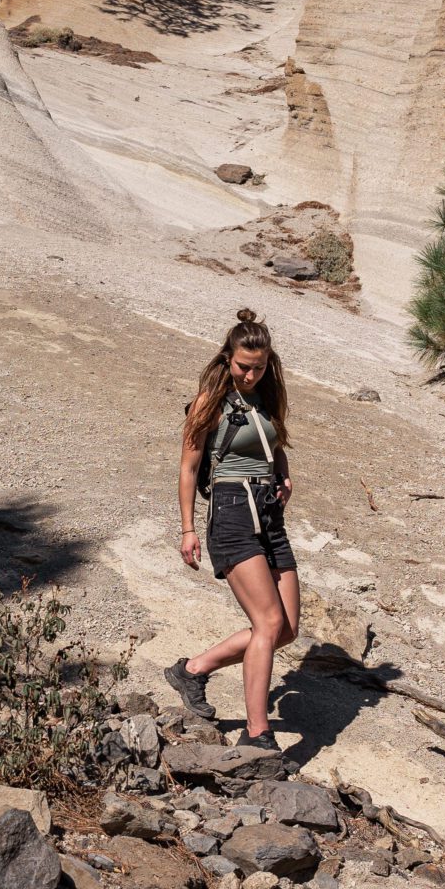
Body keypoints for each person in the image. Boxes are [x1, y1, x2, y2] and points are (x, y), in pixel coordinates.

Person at [166, 307, 299, 751]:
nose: (251, 375)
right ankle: (257, 734)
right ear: (227, 358)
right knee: (267, 621)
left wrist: (282, 473)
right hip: (231, 510)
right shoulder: (209, 402)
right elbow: (188, 469)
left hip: (269, 512)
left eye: (259, 368)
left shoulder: (267, 396)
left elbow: (273, 442)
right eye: (244, 366)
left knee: (286, 630)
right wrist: (187, 529)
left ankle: (193, 670)